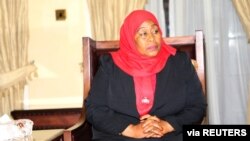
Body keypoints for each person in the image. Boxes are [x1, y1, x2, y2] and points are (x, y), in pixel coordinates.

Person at [85, 9, 206, 141]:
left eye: (155, 31)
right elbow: (94, 109)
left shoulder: (180, 62)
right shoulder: (110, 65)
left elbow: (197, 106)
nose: (151, 38)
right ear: (130, 38)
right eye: (143, 33)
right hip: (120, 136)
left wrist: (167, 125)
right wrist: (131, 130)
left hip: (170, 135)